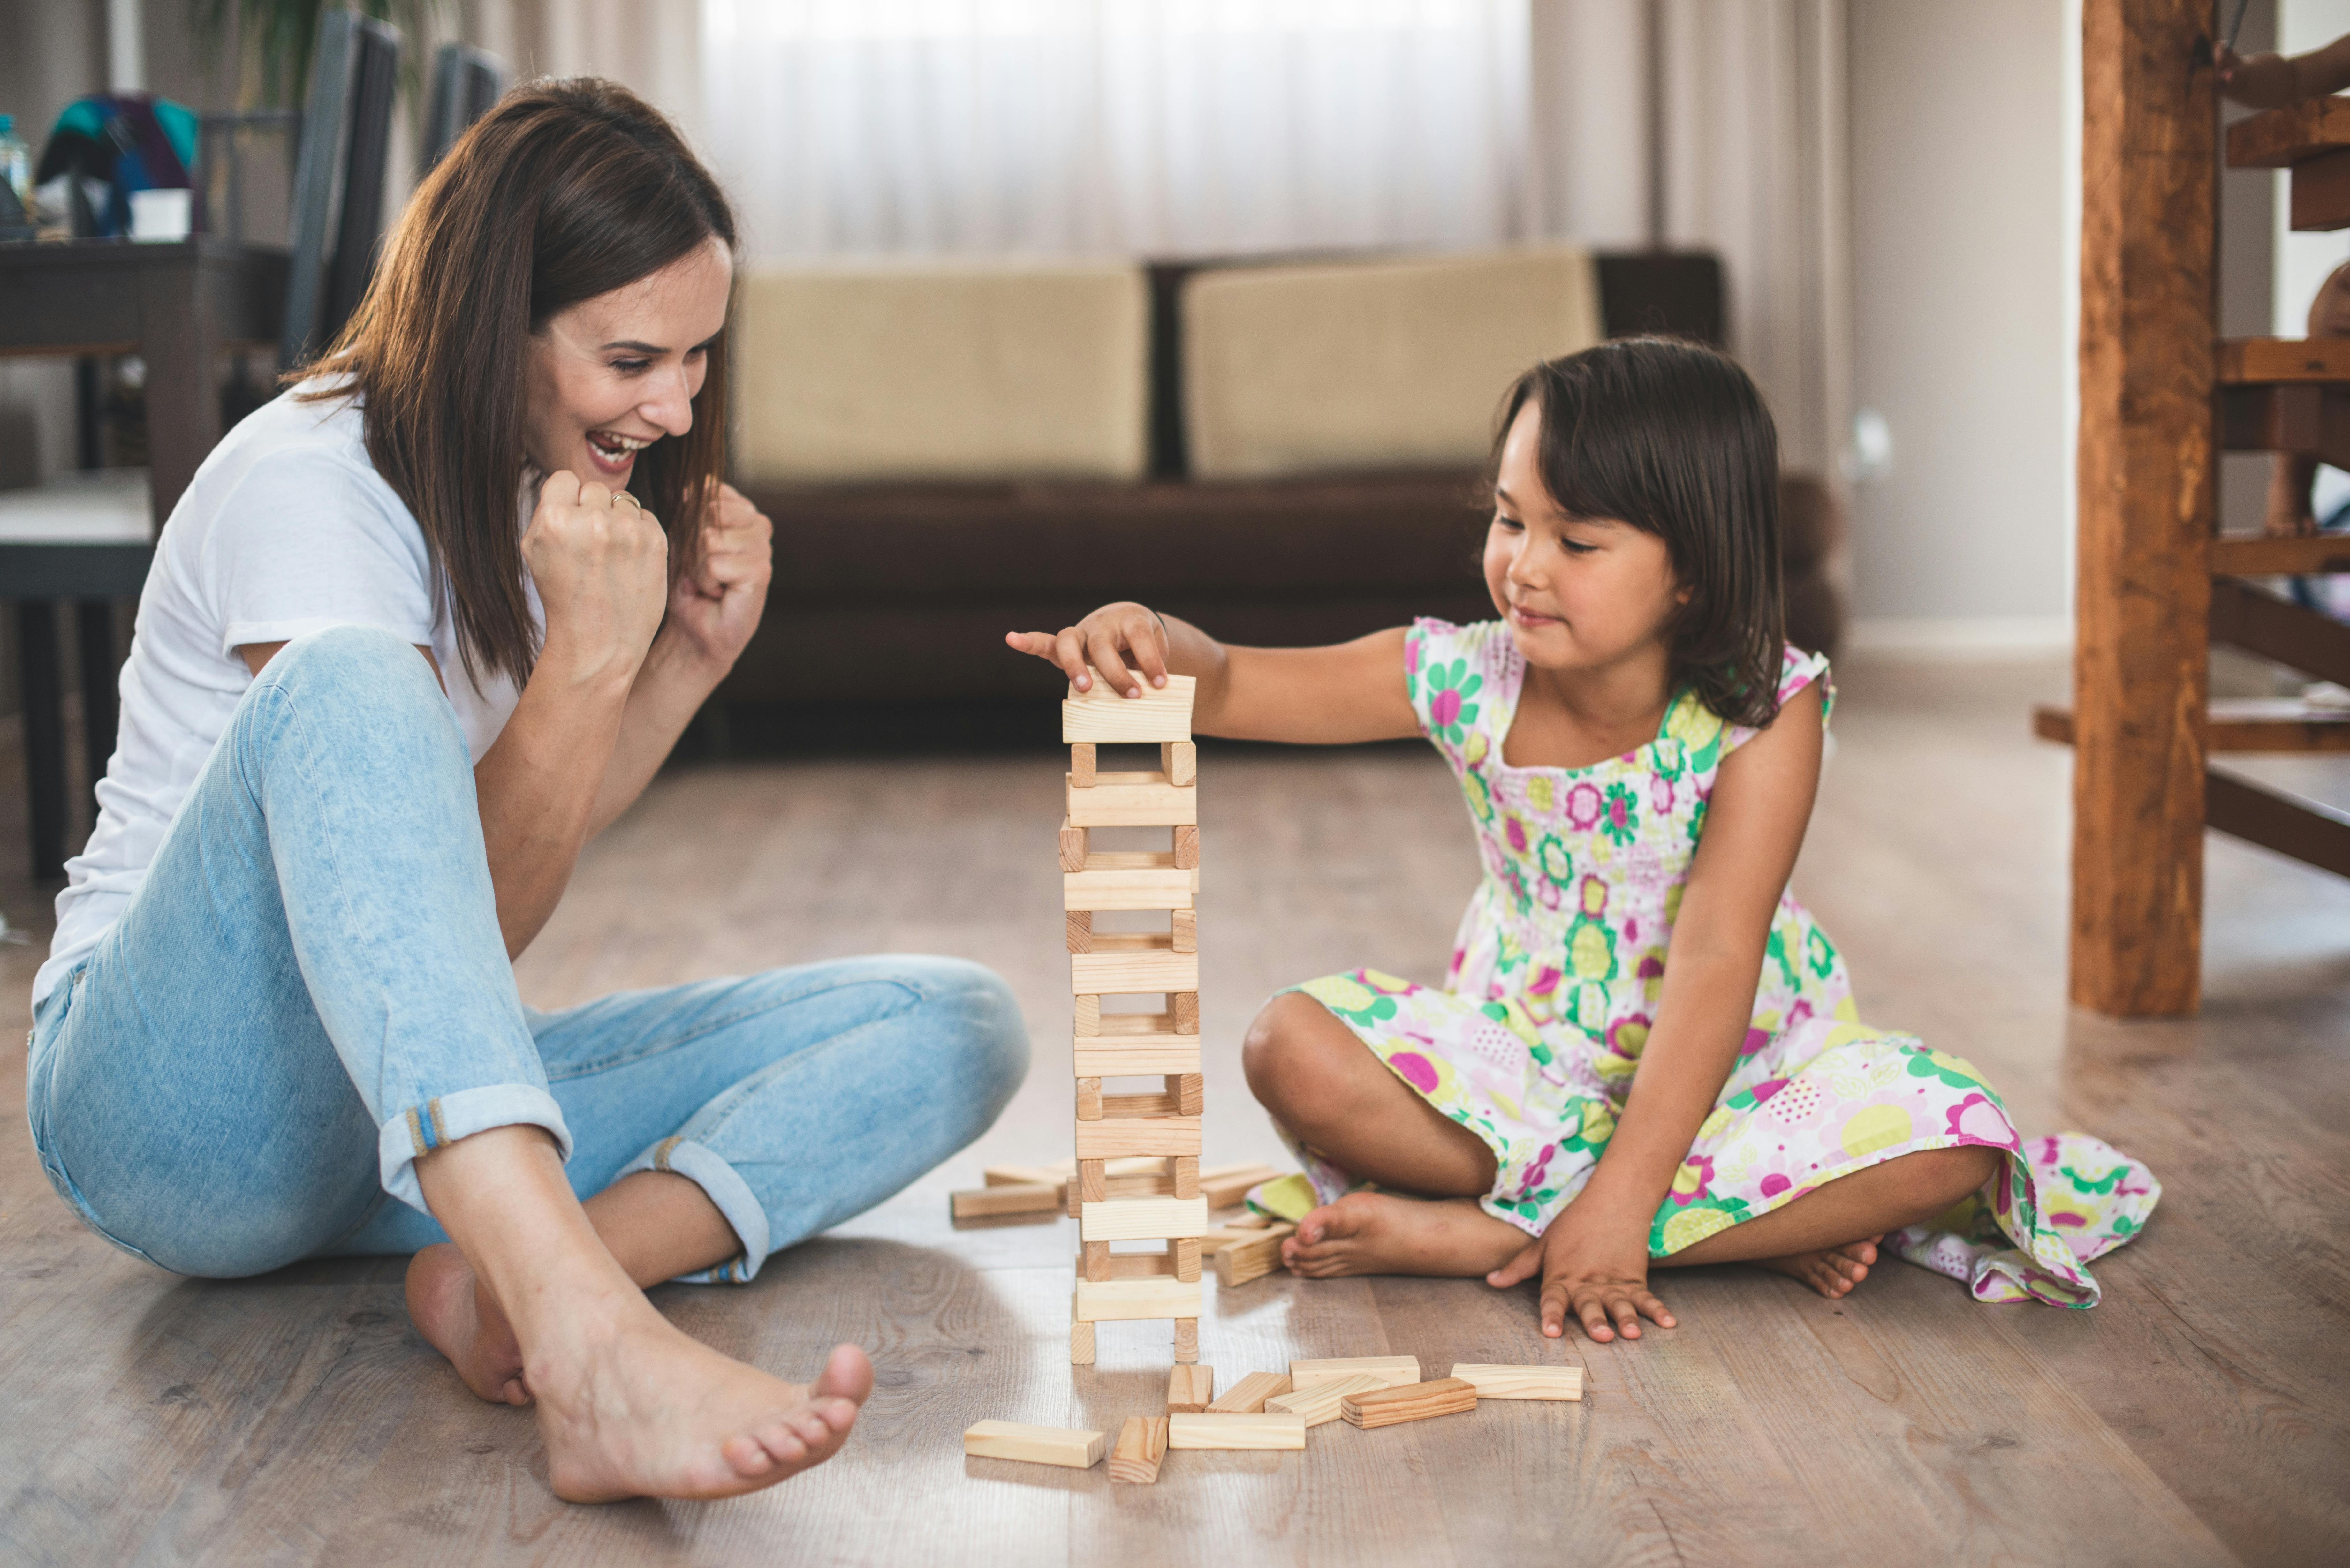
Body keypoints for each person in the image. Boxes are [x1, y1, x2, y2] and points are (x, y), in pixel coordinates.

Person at [24, 80, 1028, 1501]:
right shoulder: (310, 484)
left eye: (696, 357)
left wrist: (675, 663)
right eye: (632, 358)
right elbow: (452, 921)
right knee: (351, 678)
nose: (676, 410)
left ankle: (507, 1279)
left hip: (393, 1131)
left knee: (954, 1021)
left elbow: (448, 945)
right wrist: (579, 675)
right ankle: (590, 1347)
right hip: (176, 1113)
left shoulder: (528, 474)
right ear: (496, 327)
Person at [1009, 339, 2157, 1344]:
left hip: (1737, 1074)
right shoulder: (1462, 674)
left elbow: (1717, 953)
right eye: (1512, 520)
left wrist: (1624, 1206)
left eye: (1580, 539)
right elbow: (1240, 683)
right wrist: (1152, 635)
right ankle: (1720, 1230)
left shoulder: (1769, 710)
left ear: (1694, 570)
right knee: (1285, 1046)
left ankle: (1514, 1237)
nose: (1526, 564)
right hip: (1525, 1067)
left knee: (1958, 1140)